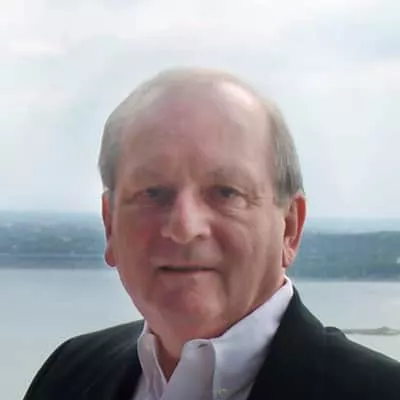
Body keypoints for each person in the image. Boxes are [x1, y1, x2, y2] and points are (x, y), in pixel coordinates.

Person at [23, 68, 400, 400]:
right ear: (110, 226)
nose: (184, 228)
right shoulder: (68, 376)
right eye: (153, 192)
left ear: (289, 228)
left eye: (225, 192)